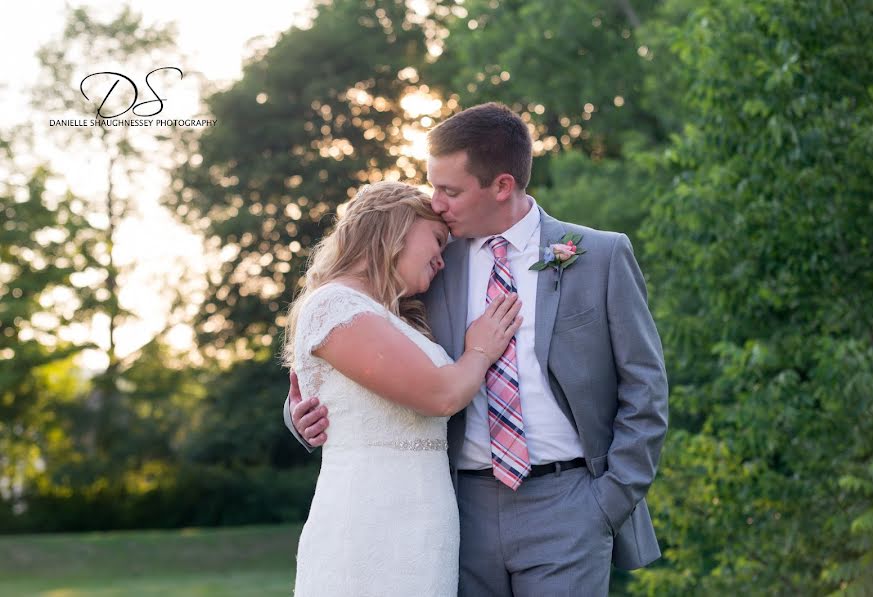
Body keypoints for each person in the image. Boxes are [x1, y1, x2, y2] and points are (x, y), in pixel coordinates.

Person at [285, 103, 668, 596]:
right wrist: (301, 413)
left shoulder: (599, 256)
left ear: (502, 185)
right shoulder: (428, 263)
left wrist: (608, 501)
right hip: (458, 508)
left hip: (569, 502)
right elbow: (356, 351)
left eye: (450, 191)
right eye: (433, 187)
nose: (436, 203)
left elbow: (645, 386)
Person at [282, 180, 523, 596]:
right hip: (369, 521)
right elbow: (441, 396)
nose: (442, 260)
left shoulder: (387, 315)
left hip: (424, 523)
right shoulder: (334, 305)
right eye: (436, 239)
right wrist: (481, 349)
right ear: (396, 227)